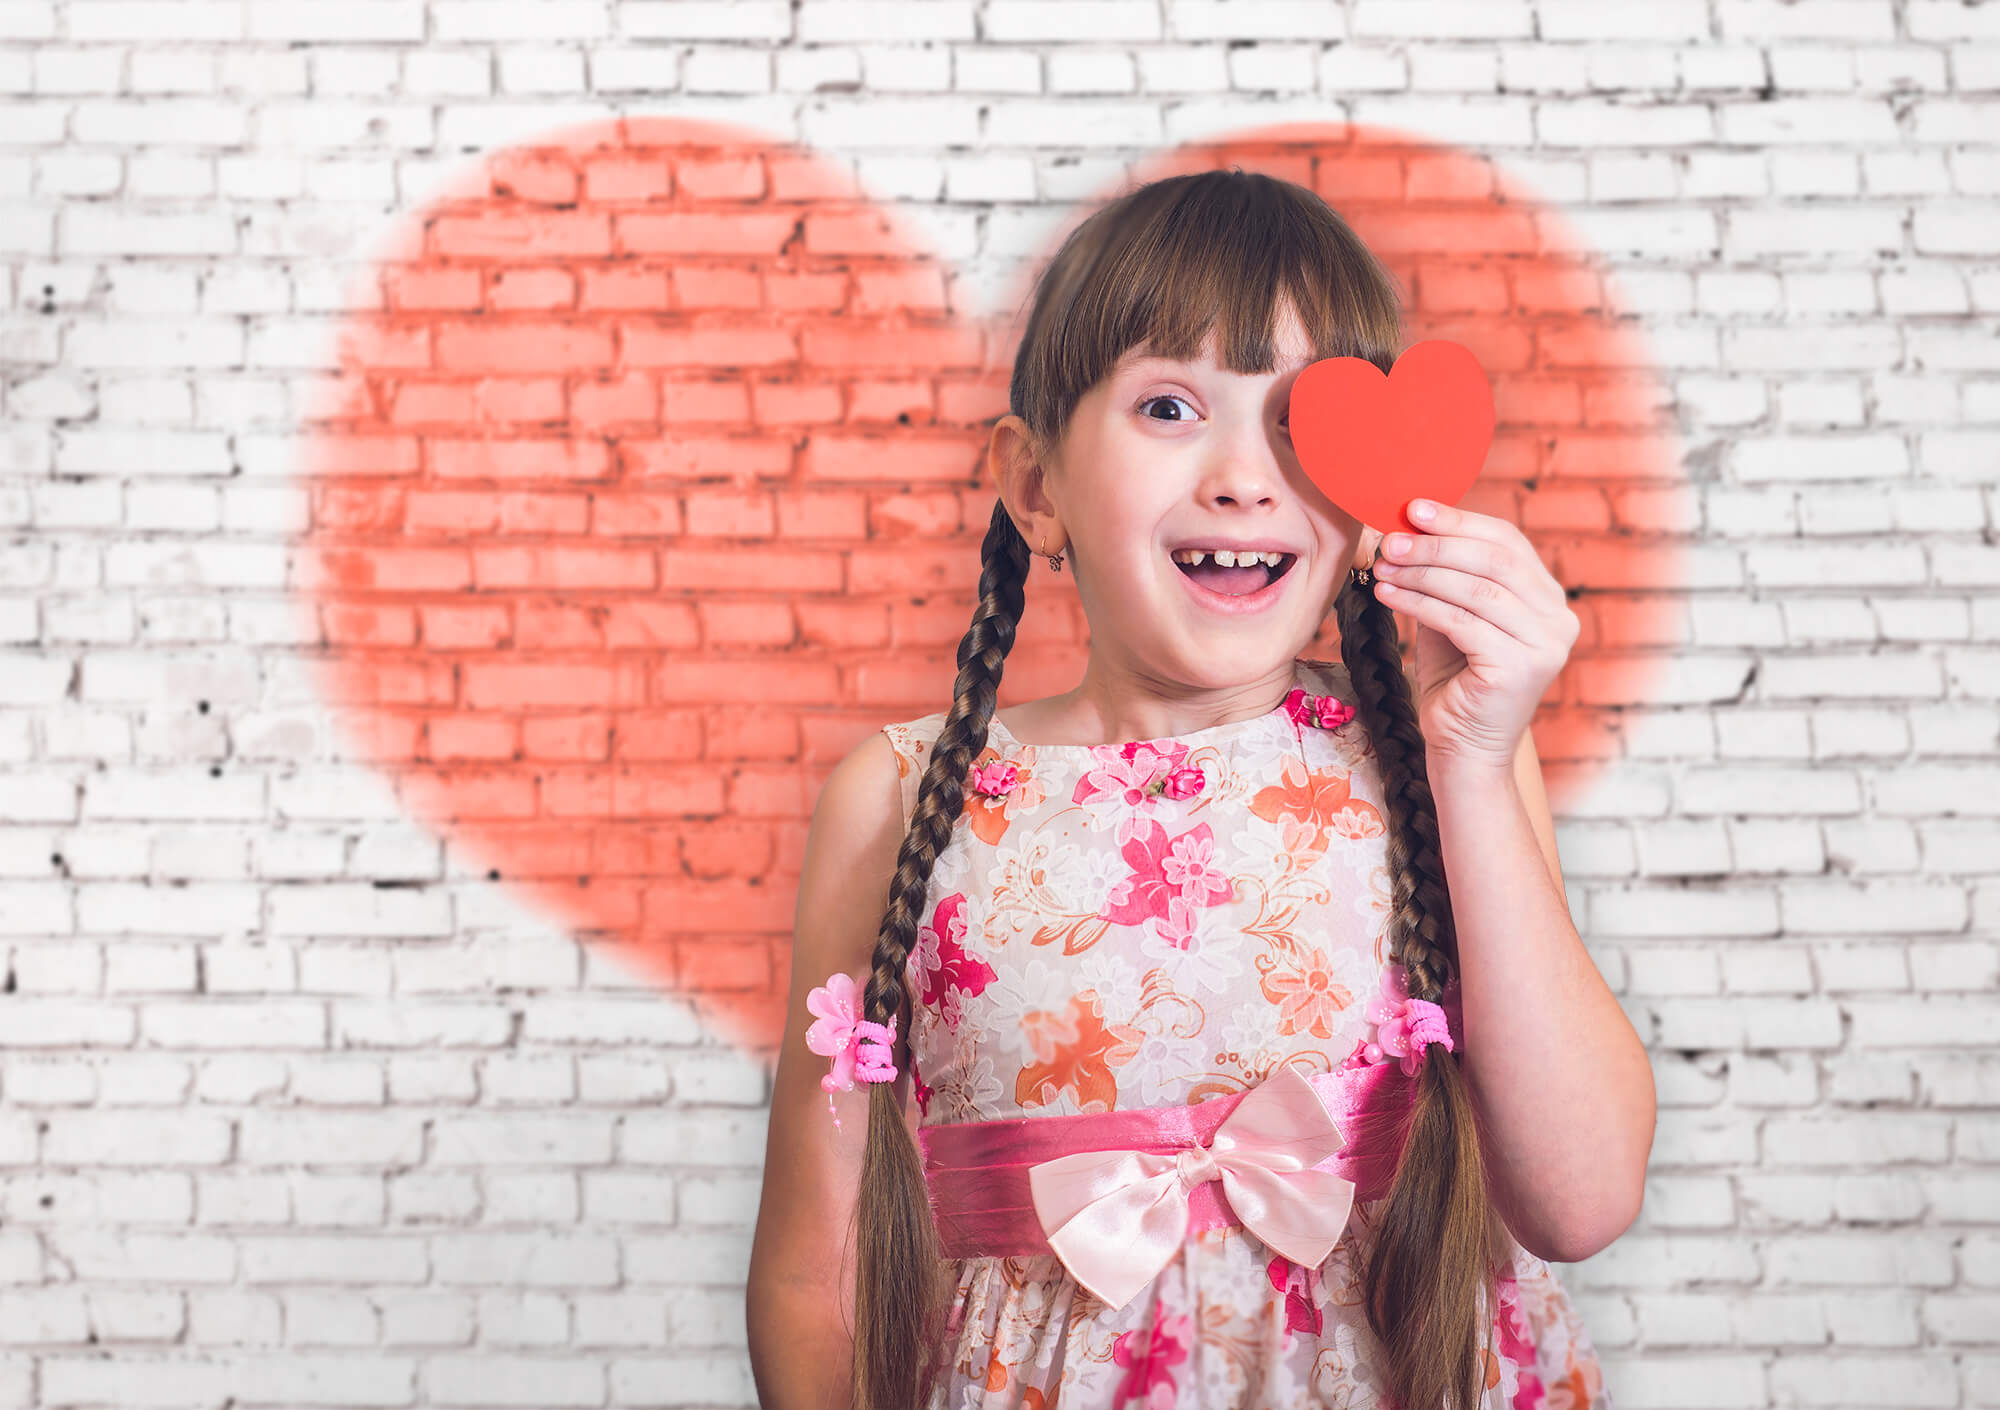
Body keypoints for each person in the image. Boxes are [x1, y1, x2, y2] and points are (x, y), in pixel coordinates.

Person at [748, 168, 1652, 1410]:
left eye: (1298, 424)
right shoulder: (900, 799)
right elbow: (817, 1271)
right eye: (1169, 406)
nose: (1244, 474)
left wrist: (1480, 765)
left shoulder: (1442, 767)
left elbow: (1582, 1195)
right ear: (1032, 486)